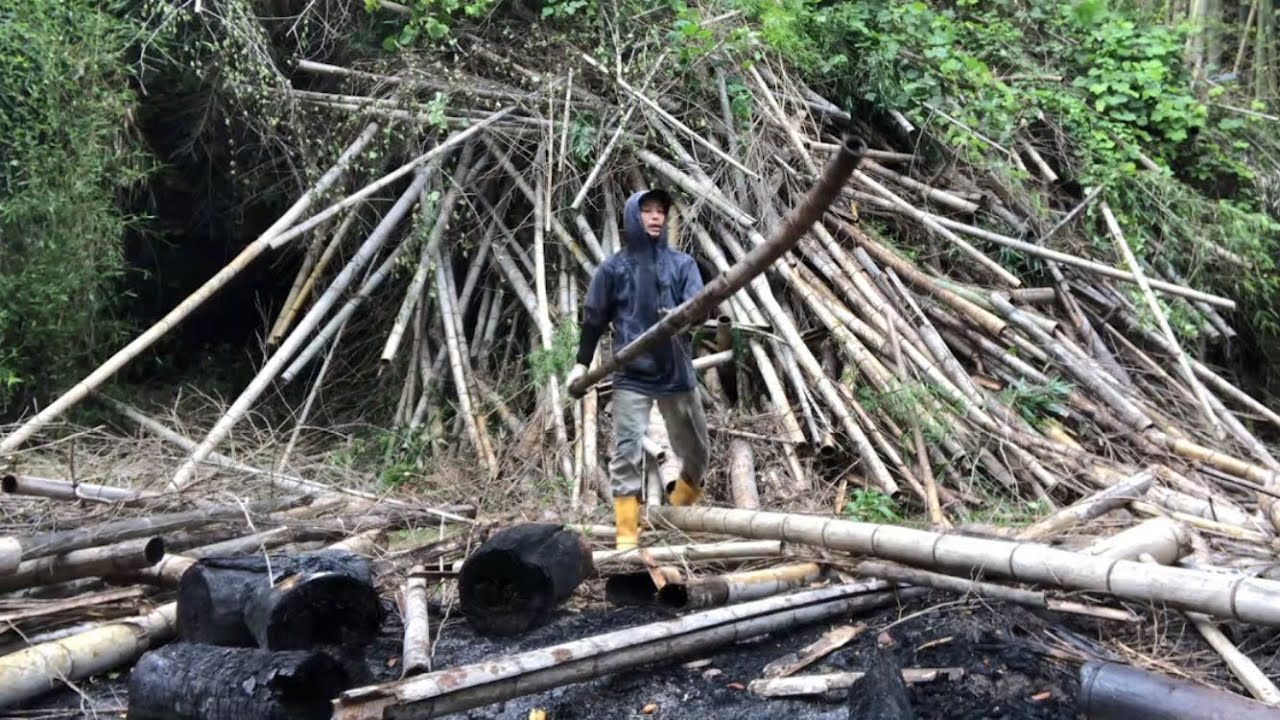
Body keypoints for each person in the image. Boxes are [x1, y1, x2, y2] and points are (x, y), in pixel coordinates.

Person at [567, 188, 710, 551]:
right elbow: (594, 319)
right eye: (647, 211)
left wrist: (690, 315)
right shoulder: (614, 268)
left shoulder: (683, 265)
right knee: (627, 453)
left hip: (676, 373)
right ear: (633, 217)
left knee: (698, 451)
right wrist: (581, 364)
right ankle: (627, 537)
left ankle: (676, 510)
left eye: (660, 211)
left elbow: (698, 307)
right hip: (631, 374)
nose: (656, 217)